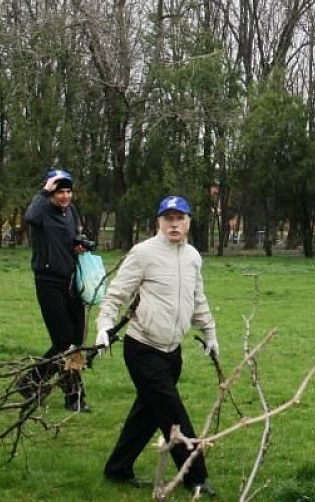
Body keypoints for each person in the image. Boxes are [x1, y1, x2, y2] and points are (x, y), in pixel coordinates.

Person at [96, 195, 219, 498]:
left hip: (172, 351)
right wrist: (103, 327)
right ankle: (196, 477)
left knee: (148, 413)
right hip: (143, 348)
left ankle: (117, 469)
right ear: (159, 222)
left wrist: (210, 332)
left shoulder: (192, 256)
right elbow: (116, 295)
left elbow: (197, 298)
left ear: (189, 222)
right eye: (168, 219)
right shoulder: (143, 253)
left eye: (180, 218)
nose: (174, 224)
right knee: (173, 415)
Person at [23, 168, 92, 412]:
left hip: (71, 281)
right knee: (63, 340)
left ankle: (36, 383)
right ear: (50, 191)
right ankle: (69, 394)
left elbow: (69, 239)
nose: (64, 196)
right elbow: (30, 218)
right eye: (59, 191)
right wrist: (44, 192)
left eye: (68, 191)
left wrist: (78, 245)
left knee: (76, 340)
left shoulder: (70, 211)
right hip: (48, 281)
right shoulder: (41, 210)